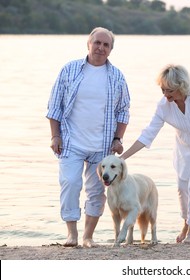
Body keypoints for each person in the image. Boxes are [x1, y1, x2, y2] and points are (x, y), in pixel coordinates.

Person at [120, 64, 190, 244]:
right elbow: (148, 134)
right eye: (162, 89)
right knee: (181, 187)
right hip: (184, 149)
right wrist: (123, 157)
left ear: (181, 87)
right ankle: (186, 222)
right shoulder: (163, 106)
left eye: (169, 90)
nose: (165, 94)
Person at [46, 27, 130, 248]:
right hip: (71, 141)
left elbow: (123, 111)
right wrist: (55, 136)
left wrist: (118, 139)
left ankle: (88, 236)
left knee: (96, 191)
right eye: (97, 43)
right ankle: (71, 234)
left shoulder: (117, 76)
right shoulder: (70, 70)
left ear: (111, 50)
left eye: (106, 45)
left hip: (102, 148)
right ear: (88, 43)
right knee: (70, 183)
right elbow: (54, 107)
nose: (101, 48)